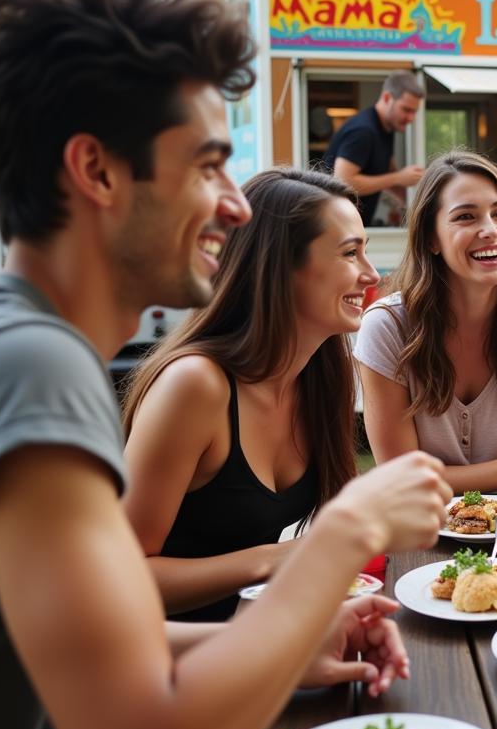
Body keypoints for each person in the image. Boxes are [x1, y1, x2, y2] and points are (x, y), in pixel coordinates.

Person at [0, 0, 450, 729]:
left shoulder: (22, 340)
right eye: (207, 166)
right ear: (97, 172)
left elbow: (96, 635)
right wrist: (338, 541)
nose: (236, 205)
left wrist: (296, 638)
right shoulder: (37, 368)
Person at [120, 167, 381, 622]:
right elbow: (123, 578)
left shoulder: (322, 373)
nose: (370, 274)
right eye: (349, 253)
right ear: (280, 268)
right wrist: (275, 558)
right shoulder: (196, 386)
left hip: (263, 641)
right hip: (174, 668)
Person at [355, 150, 497, 496]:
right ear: (431, 239)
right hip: (417, 535)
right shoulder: (387, 327)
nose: (490, 230)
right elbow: (400, 481)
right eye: (466, 217)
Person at [323, 70, 425, 225]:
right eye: (406, 110)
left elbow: (388, 174)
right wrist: (399, 177)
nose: (411, 118)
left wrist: (419, 207)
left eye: (414, 112)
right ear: (386, 98)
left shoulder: (386, 130)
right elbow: (343, 181)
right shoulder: (363, 130)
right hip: (336, 227)